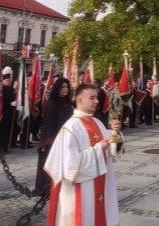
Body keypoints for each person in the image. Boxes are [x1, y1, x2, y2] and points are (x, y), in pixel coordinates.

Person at [45, 83, 124, 226]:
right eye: (92, 98)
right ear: (79, 100)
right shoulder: (70, 128)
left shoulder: (98, 123)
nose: (97, 101)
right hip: (82, 189)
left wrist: (116, 133)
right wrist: (100, 147)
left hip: (102, 184)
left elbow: (115, 150)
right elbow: (70, 165)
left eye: (97, 98)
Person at [34, 78, 74, 197]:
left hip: (67, 138)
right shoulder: (52, 103)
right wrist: (51, 140)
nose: (65, 89)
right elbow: (48, 123)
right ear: (57, 88)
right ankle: (46, 190)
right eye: (62, 87)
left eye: (67, 87)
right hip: (54, 139)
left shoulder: (70, 103)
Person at [0, 70, 17, 151]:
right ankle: (2, 147)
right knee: (3, 131)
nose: (7, 82)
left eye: (9, 80)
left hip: (10, 113)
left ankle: (7, 146)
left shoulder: (11, 89)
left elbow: (13, 96)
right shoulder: (2, 90)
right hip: (3, 113)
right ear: (3, 81)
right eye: (6, 80)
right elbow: (1, 101)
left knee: (9, 131)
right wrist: (10, 103)